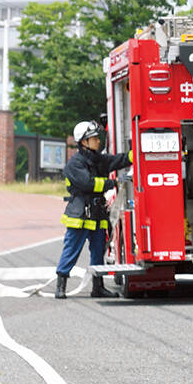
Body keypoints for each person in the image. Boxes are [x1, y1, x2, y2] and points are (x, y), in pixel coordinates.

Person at [55, 120, 132, 299]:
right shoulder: (75, 164)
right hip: (80, 214)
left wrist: (133, 154)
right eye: (94, 138)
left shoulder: (98, 159)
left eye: (97, 137)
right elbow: (87, 183)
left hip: (97, 213)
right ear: (84, 142)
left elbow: (117, 160)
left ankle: (98, 288)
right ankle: (61, 285)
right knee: (72, 249)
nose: (98, 141)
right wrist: (112, 183)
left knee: (99, 251)